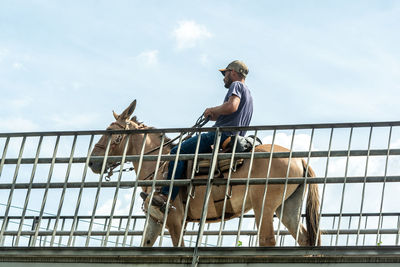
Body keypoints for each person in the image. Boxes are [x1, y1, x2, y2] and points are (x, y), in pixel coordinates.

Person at [151, 60, 253, 209]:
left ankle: (166, 196)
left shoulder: (236, 85)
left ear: (233, 72)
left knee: (177, 152)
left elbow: (232, 106)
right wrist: (214, 115)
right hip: (233, 137)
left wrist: (213, 109)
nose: (223, 77)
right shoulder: (249, 95)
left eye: (225, 73)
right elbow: (232, 114)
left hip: (220, 135)